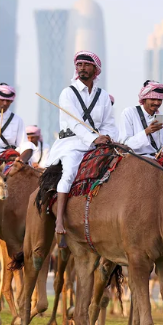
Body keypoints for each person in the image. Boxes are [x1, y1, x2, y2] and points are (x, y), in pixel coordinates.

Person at [46, 50, 117, 238]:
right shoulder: (67, 93)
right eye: (79, 65)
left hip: (98, 145)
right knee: (69, 173)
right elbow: (74, 123)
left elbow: (109, 122)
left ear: (95, 69)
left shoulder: (103, 96)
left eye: (86, 65)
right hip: (72, 143)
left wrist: (108, 138)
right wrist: (94, 139)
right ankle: (60, 221)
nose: (82, 68)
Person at [119, 80, 163, 156]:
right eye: (153, 99)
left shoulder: (162, 117)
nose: (157, 103)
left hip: (156, 160)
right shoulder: (129, 113)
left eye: (159, 100)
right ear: (144, 99)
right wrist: (146, 132)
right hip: (134, 159)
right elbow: (125, 144)